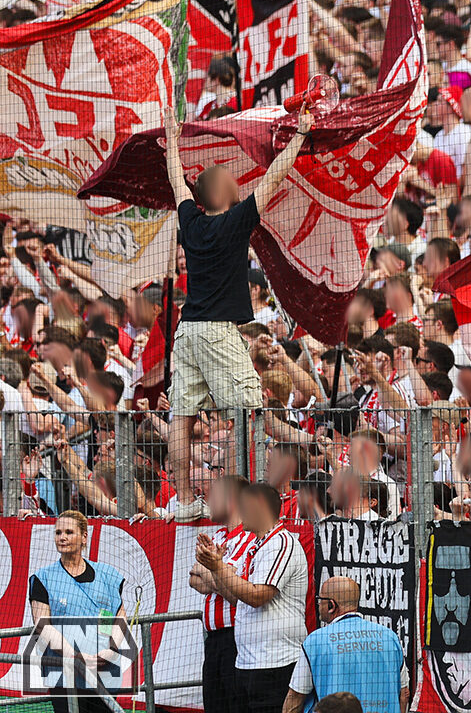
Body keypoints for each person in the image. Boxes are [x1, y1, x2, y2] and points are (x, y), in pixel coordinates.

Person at [162, 101, 314, 519]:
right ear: (226, 193)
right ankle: (243, 497)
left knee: (182, 413)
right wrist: (299, 136)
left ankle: (186, 502)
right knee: (249, 406)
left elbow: (178, 185)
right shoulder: (235, 221)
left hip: (186, 330)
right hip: (214, 331)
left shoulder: (190, 221)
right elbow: (274, 178)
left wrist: (172, 145)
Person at [194, 482, 308, 713]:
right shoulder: (254, 546)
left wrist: (217, 568)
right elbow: (239, 596)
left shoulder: (282, 543)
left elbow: (257, 596)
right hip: (248, 662)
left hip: (275, 663)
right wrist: (218, 568)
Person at [28, 511, 127, 713]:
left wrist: (111, 649)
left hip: (104, 668)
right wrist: (75, 656)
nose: (62, 537)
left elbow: (118, 617)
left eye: (69, 532)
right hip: (63, 673)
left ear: (84, 537)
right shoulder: (42, 578)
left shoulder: (108, 575)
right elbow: (43, 626)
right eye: (58, 532)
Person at [282, 577, 406, 713]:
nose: (318, 604)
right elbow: (404, 695)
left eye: (320, 600)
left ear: (331, 605)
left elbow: (295, 697)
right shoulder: (390, 637)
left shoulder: (315, 641)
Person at [189, 475, 253, 713]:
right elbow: (193, 578)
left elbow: (235, 586)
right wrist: (219, 572)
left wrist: (213, 569)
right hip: (213, 639)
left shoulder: (249, 536)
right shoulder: (217, 537)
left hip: (236, 638)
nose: (208, 501)